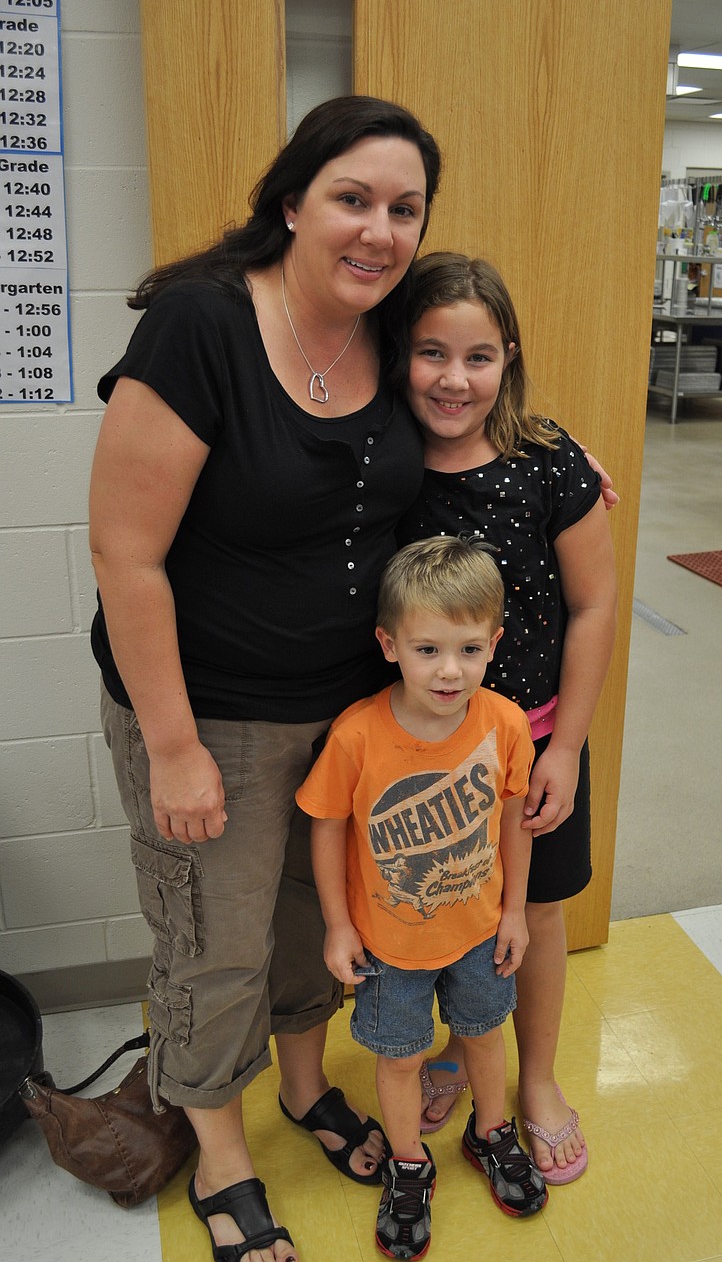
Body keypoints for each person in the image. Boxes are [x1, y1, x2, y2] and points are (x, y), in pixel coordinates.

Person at [88, 96, 442, 1262]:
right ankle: (222, 1151)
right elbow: (124, 553)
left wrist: (558, 462)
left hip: (341, 714)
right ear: (290, 203)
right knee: (213, 941)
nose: (378, 230)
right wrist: (174, 741)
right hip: (212, 714)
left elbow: (466, 417)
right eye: (352, 198)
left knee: (308, 923)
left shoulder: (391, 330)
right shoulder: (200, 327)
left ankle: (302, 1087)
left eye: (404, 208)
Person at [393, 252, 618, 1184]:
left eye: (478, 356)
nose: (455, 378)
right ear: (397, 355)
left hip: (533, 741)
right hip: (423, 756)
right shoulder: (379, 463)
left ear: (508, 357)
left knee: (535, 911)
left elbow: (595, 605)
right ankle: (458, 1045)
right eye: (431, 353)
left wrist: (565, 747)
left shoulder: (550, 464)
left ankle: (536, 1079)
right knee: (444, 906)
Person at [297, 536, 548, 1260]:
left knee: (482, 1034)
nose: (449, 669)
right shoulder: (357, 735)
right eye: (428, 648)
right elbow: (326, 828)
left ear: (494, 642)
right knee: (401, 1057)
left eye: (470, 649)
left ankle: (492, 1132)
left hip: (479, 932)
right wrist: (338, 925)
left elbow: (513, 819)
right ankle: (409, 1162)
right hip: (389, 948)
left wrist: (514, 913)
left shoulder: (503, 724)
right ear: (389, 644)